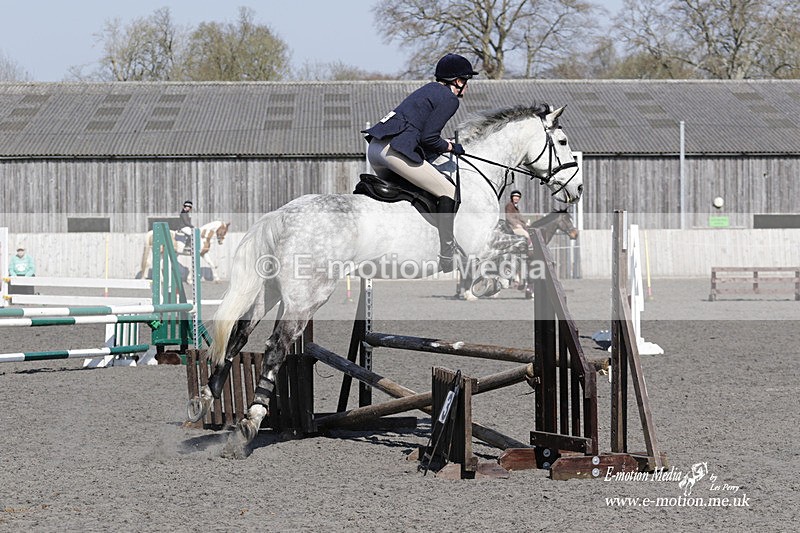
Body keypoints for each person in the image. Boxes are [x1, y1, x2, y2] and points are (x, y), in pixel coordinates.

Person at [362, 53, 479, 272]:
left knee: (418, 191)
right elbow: (429, 139)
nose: (467, 87)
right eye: (466, 81)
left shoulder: (428, 90)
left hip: (376, 148)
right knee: (448, 190)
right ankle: (447, 253)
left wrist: (442, 144)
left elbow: (422, 135)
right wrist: (452, 147)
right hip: (393, 151)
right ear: (458, 81)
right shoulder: (449, 98)